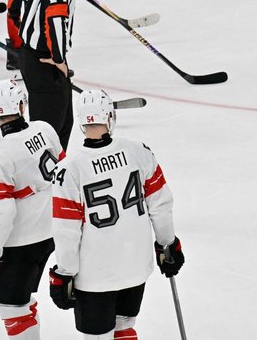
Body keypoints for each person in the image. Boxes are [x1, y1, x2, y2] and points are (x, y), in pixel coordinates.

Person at [49, 89, 185, 339]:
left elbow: (66, 230)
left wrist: (64, 273)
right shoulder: (139, 151)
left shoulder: (68, 169)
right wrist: (168, 245)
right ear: (110, 117)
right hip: (135, 267)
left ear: (81, 121)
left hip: (95, 275)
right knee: (124, 326)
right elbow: (160, 204)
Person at [0, 78, 63, 340]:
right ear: (22, 106)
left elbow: (2, 214)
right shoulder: (45, 129)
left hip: (23, 242)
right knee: (21, 300)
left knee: (9, 305)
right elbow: (66, 177)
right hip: (54, 230)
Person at [10, 0, 85, 148]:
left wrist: (29, 37)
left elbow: (13, 4)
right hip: (46, 62)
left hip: (30, 57)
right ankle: (47, 171)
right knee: (50, 133)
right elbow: (55, 18)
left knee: (62, 123)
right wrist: (58, 58)